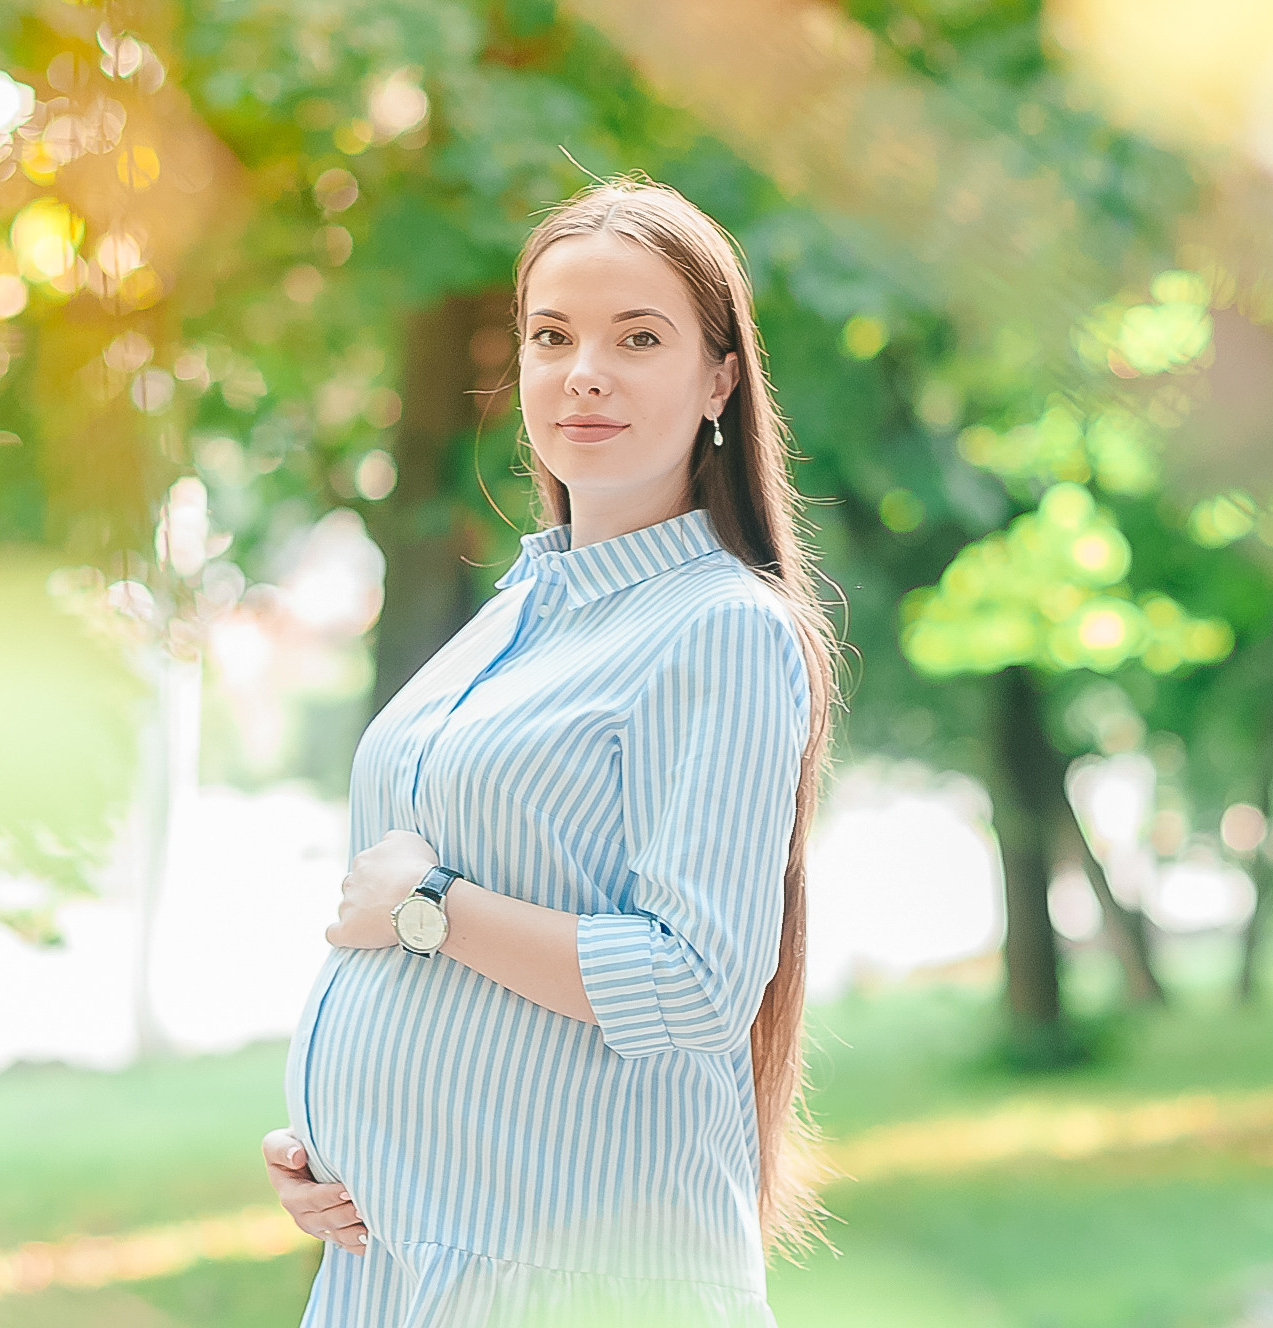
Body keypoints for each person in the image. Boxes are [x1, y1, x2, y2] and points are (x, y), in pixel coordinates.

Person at [260, 173, 842, 1326]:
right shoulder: (514, 615)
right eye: (551, 334)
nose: (584, 370)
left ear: (718, 378)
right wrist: (331, 1136)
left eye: (637, 337)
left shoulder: (717, 628)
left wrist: (430, 902)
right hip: (404, 1256)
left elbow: (692, 985)